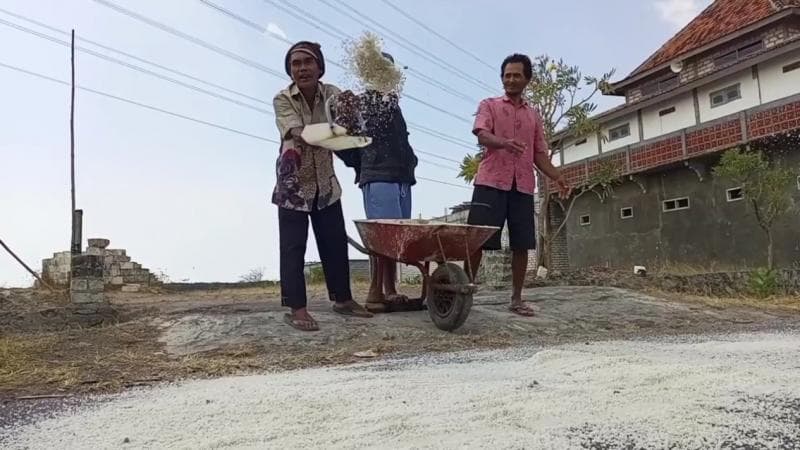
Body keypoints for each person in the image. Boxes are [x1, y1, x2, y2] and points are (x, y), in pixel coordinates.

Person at [272, 41, 372, 332]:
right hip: (293, 182)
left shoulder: (333, 94)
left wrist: (352, 113)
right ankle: (297, 308)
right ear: (290, 70)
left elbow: (349, 126)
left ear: (320, 67)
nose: (302, 68)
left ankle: (343, 300)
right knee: (293, 246)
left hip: (325, 181)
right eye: (295, 64)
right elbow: (299, 133)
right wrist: (338, 128)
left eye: (308, 62)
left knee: (334, 242)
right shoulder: (282, 98)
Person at [466, 53, 570, 317]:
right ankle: (464, 292)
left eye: (516, 75)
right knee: (475, 241)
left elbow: (539, 154)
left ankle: (516, 298)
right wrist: (503, 142)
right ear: (502, 78)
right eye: (507, 75)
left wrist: (556, 176)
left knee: (522, 244)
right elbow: (482, 135)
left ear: (527, 79)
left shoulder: (533, 116)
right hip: (490, 182)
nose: (511, 80)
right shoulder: (488, 105)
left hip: (522, 186)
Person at [340, 52, 418, 310]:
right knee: (383, 235)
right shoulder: (361, 104)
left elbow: (400, 141)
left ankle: (390, 289)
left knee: (394, 238)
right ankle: (375, 293)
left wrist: (411, 160)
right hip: (379, 177)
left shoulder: (392, 104)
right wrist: (363, 165)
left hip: (402, 179)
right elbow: (342, 143)